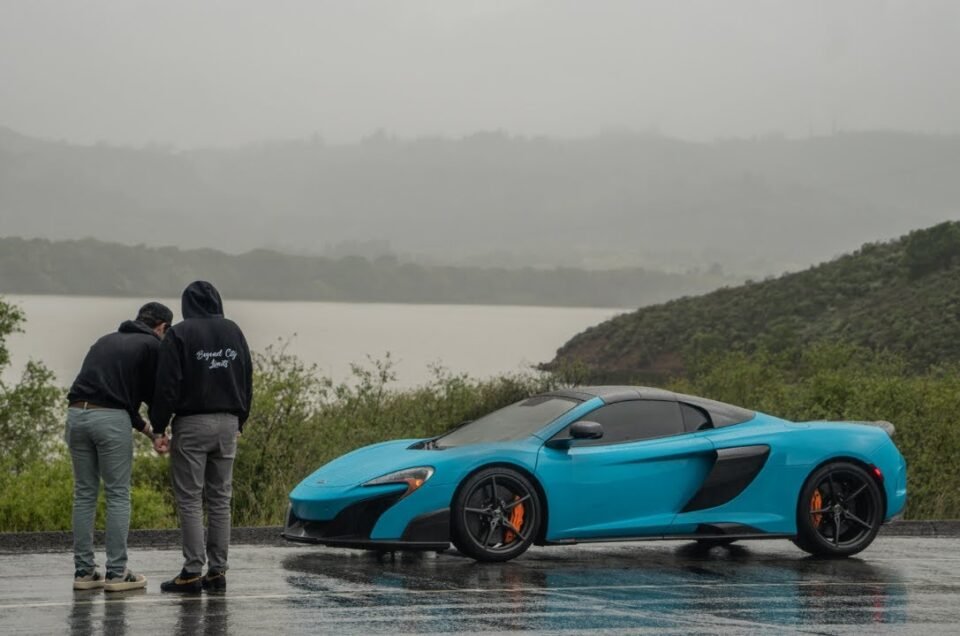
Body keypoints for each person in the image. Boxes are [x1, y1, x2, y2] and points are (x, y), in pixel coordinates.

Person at [150, 281, 252, 593]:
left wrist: (158, 426)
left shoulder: (180, 333)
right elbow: (247, 377)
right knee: (221, 498)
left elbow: (167, 384)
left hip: (192, 423)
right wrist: (240, 419)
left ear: (186, 305)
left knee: (191, 498)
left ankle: (192, 570)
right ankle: (217, 571)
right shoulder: (234, 331)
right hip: (228, 422)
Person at [67, 301, 173, 592]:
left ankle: (84, 573)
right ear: (162, 328)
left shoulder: (106, 340)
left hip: (76, 415)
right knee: (117, 494)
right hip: (110, 420)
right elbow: (155, 395)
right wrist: (162, 430)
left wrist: (148, 432)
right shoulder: (152, 346)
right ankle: (116, 574)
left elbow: (117, 398)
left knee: (84, 494)